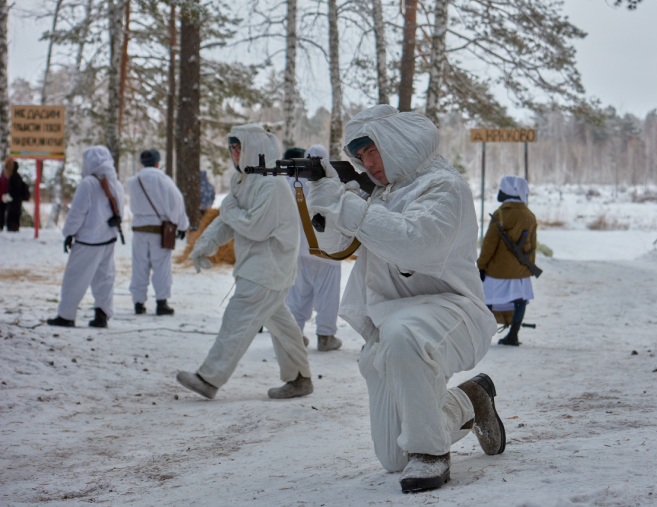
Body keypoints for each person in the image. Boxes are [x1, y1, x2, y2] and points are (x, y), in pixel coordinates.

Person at [306, 105, 503, 493]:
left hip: (452, 311)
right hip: (391, 323)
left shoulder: (446, 187)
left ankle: (431, 454)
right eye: (360, 156)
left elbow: (415, 245)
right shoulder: (376, 193)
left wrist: (346, 204)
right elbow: (332, 245)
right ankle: (471, 399)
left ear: (397, 141)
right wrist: (323, 199)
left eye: (373, 150)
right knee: (393, 456)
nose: (368, 163)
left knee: (403, 334)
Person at [176, 124, 313, 400]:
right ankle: (300, 378)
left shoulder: (271, 185)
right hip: (262, 269)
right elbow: (230, 219)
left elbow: (254, 227)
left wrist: (228, 209)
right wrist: (204, 245)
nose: (235, 154)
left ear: (254, 149)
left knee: (236, 321)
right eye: (232, 148)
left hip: (268, 268)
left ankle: (209, 378)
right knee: (282, 327)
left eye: (239, 148)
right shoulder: (245, 179)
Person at [47, 146, 125, 328]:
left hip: (88, 240)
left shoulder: (88, 184)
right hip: (108, 239)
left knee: (75, 277)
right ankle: (102, 314)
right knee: (104, 277)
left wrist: (68, 233)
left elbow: (77, 213)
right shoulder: (116, 182)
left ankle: (66, 315)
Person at [284, 144, 342, 352]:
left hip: (299, 250)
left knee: (298, 297)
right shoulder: (334, 184)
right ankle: (326, 337)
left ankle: (294, 335)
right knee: (328, 297)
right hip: (327, 252)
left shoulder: (291, 182)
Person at [126, 149, 189, 316]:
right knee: (161, 267)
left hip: (139, 230)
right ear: (157, 163)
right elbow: (177, 202)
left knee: (139, 266)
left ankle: (138, 303)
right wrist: (182, 225)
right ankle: (162, 303)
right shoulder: (164, 180)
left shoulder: (133, 181)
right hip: (160, 230)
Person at [477, 176, 537, 346]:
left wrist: (481, 265)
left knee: (486, 300)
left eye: (502, 190)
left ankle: (483, 336)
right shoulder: (529, 215)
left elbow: (489, 244)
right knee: (520, 301)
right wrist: (528, 268)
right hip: (520, 271)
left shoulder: (501, 214)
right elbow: (532, 245)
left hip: (498, 270)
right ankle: (513, 334)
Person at [0, 159, 30, 232]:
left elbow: (14, 191)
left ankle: (12, 230)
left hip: (12, 202)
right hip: (10, 201)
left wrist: (7, 196)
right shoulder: (9, 176)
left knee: (12, 219)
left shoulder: (13, 177)